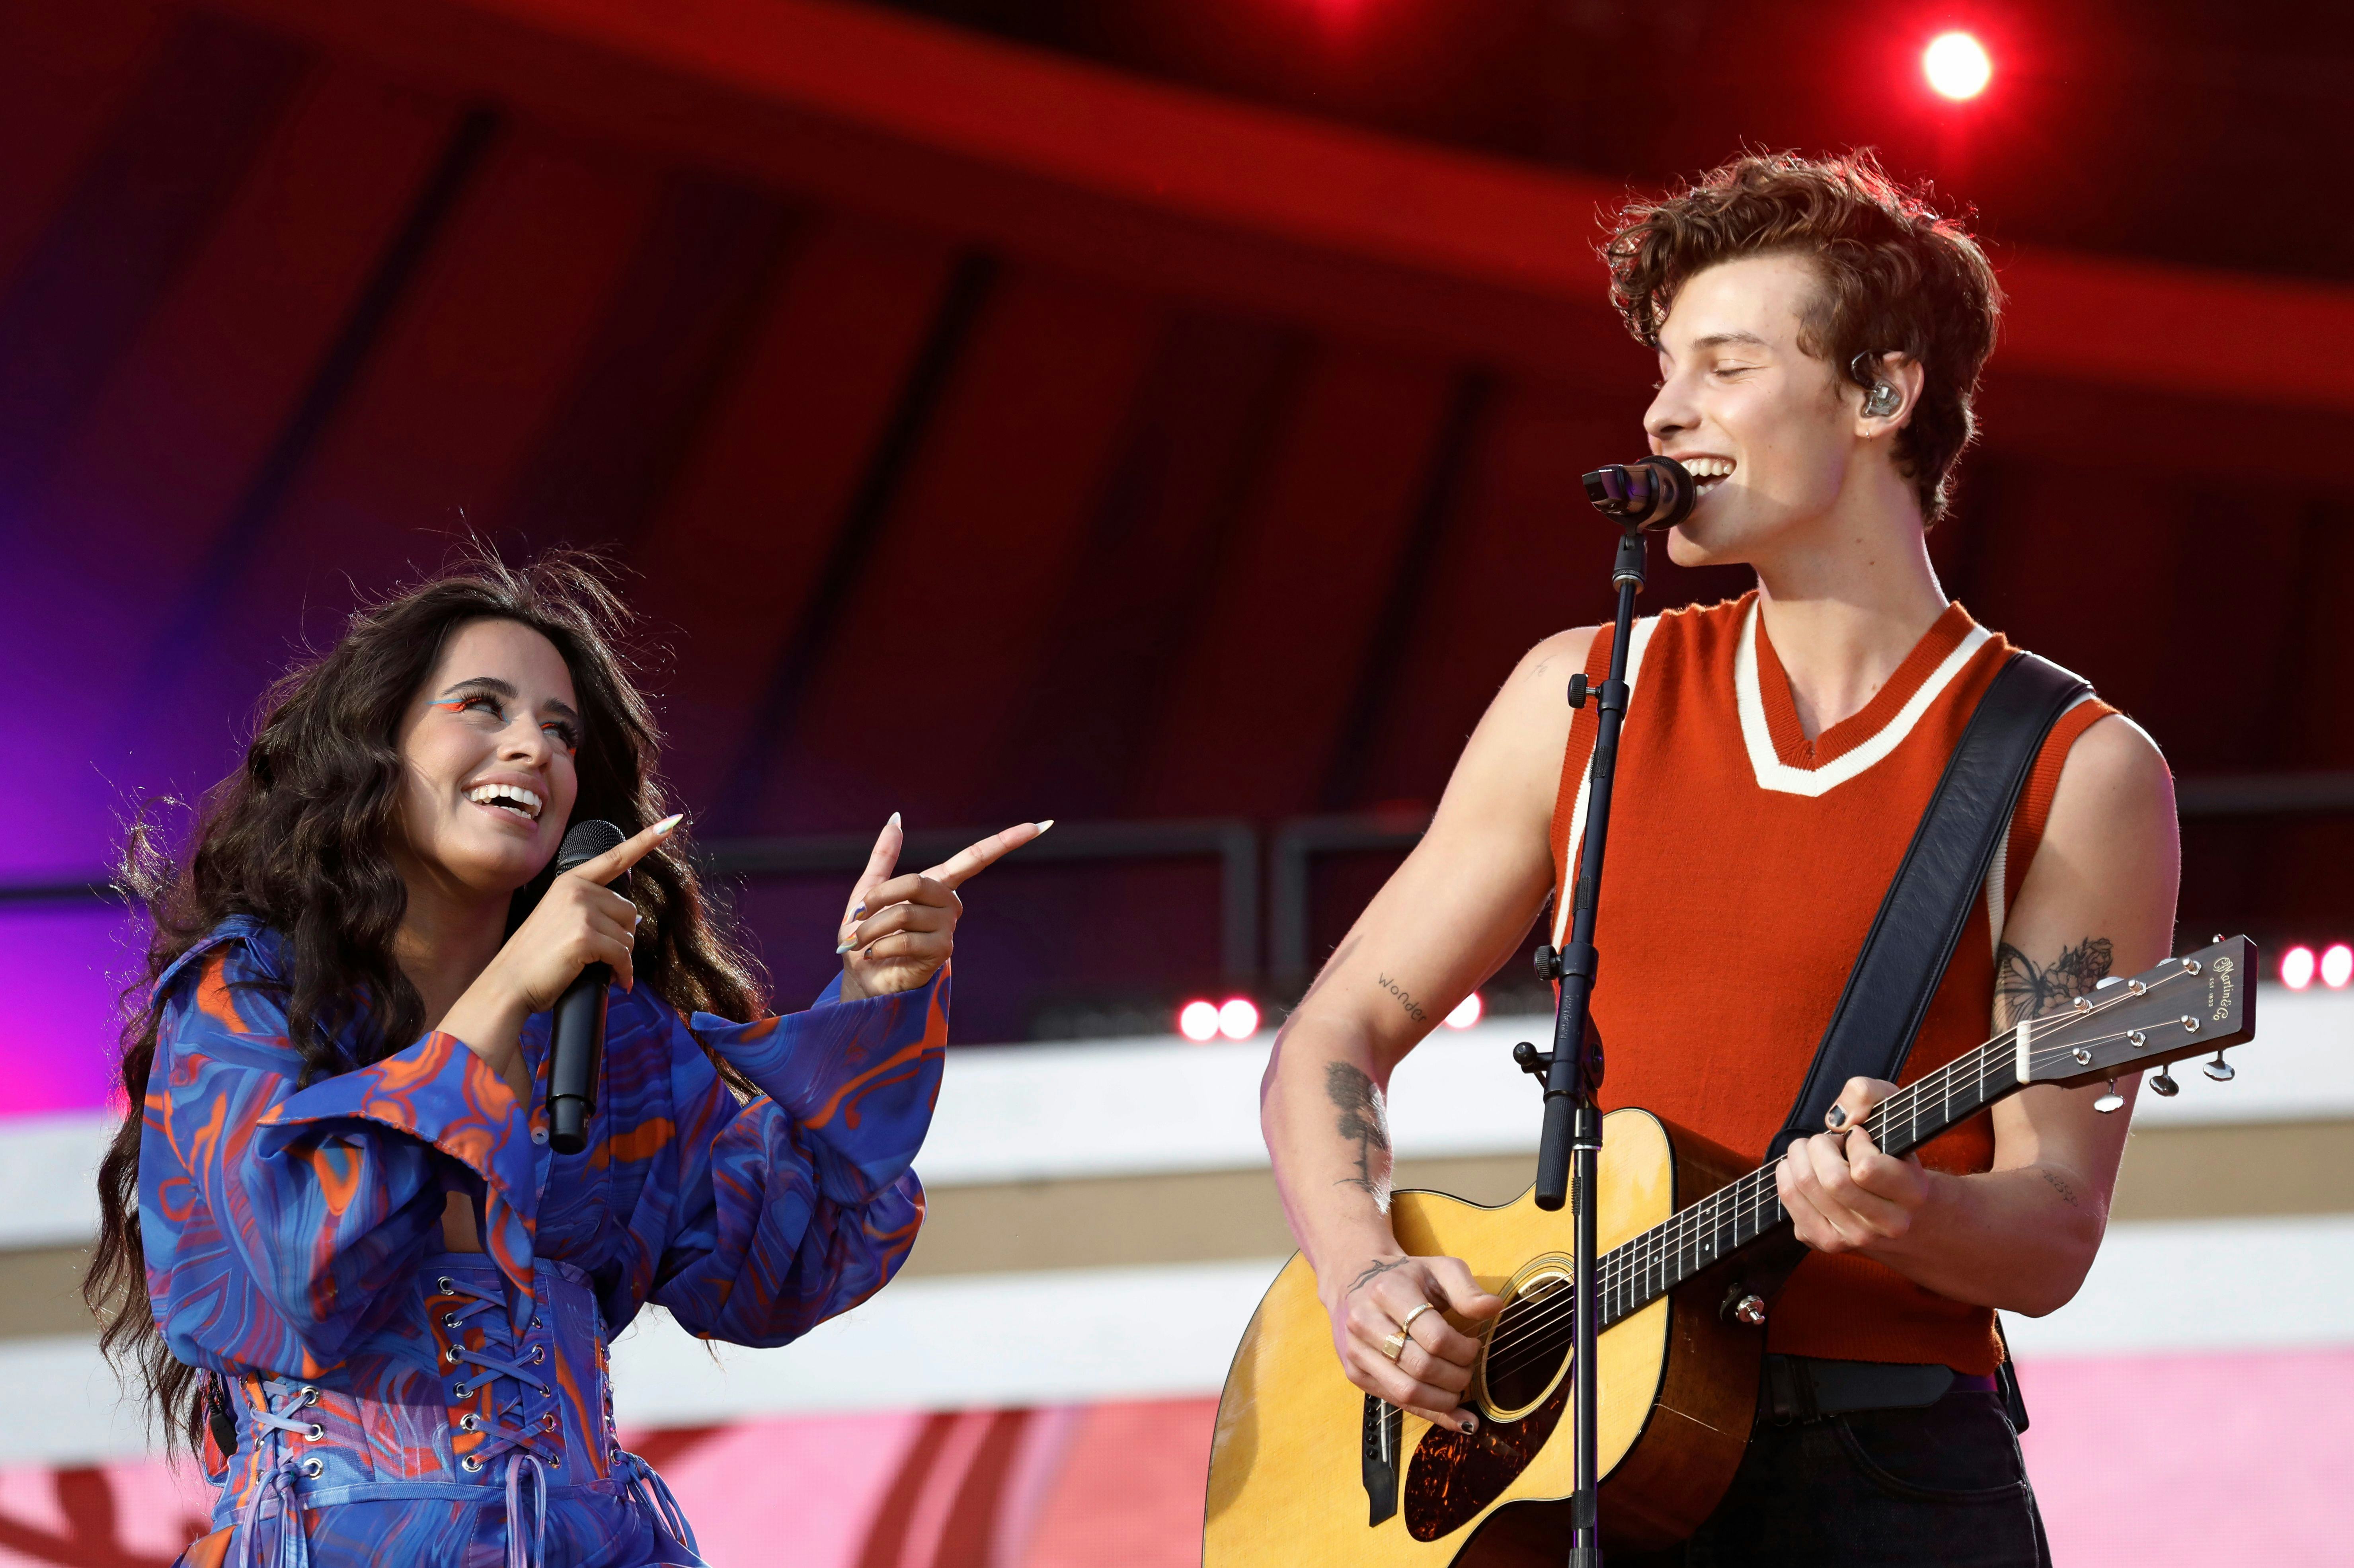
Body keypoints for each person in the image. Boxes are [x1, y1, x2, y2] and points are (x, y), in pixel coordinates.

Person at [1259, 151, 2179, 1565]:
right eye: (1661, 371)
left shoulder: (2078, 768)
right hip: (1572, 1461)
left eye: (1724, 366)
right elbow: (1338, 1027)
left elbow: (2052, 1232)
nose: (1663, 409)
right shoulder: (1576, 694)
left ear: (1879, 396)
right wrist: (1360, 1269)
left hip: (1886, 1479)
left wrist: (1907, 1208)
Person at [84, 550, 1044, 1568]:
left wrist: (873, 997)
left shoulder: (608, 1038)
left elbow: (784, 1267)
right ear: (375, 747)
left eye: (560, 730)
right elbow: (283, 1277)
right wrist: (507, 994)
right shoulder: (249, 997)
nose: (530, 747)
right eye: (481, 707)